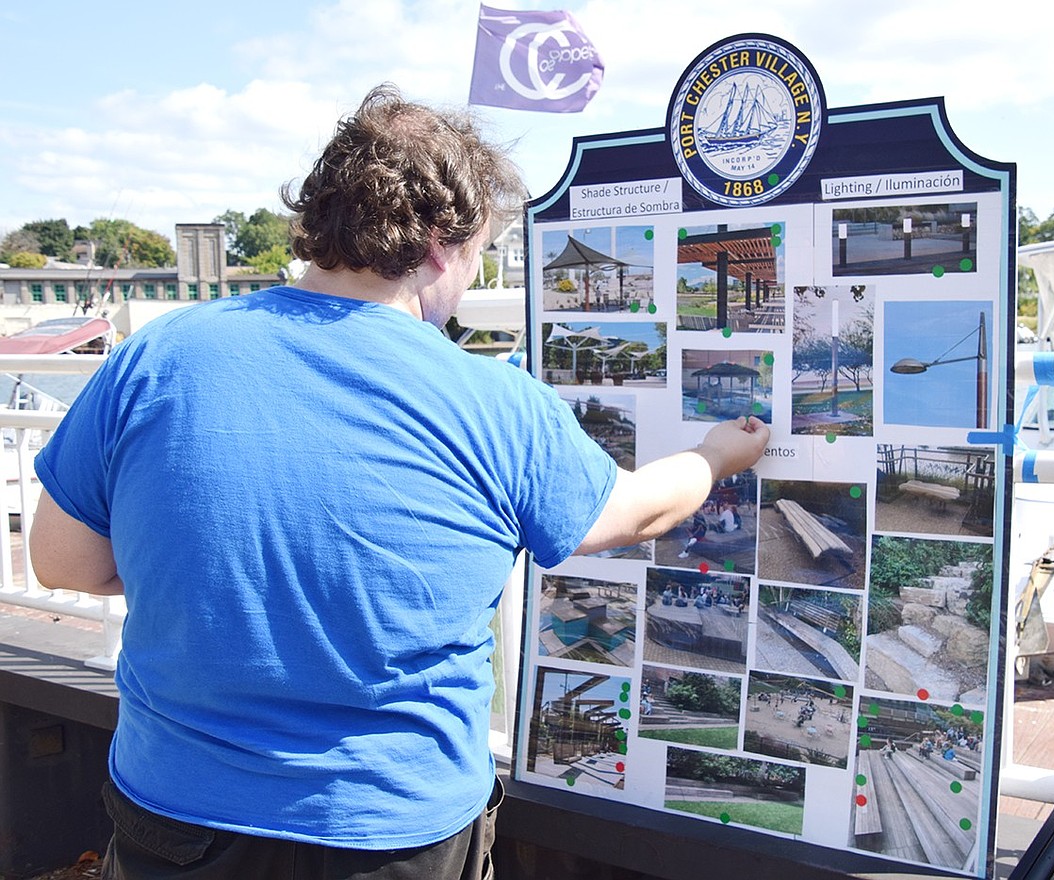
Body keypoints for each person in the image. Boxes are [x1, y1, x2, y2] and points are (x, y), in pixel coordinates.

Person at [28, 84, 770, 880]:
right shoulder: (492, 402)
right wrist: (715, 455)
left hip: (174, 820)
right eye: (480, 250)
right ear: (441, 247)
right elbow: (633, 513)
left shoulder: (158, 356)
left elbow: (62, 563)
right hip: (392, 834)